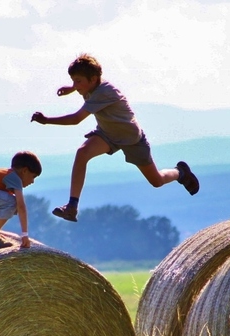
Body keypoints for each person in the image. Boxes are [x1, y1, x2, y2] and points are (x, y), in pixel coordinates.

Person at [30, 53, 199, 222]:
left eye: (78, 81)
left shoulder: (104, 92)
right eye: (73, 80)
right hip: (107, 134)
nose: (76, 85)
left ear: (94, 79)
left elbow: (76, 119)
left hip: (132, 139)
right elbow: (84, 85)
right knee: (82, 153)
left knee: (157, 181)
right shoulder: (91, 86)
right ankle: (72, 207)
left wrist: (46, 120)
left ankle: (180, 172)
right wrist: (73, 88)